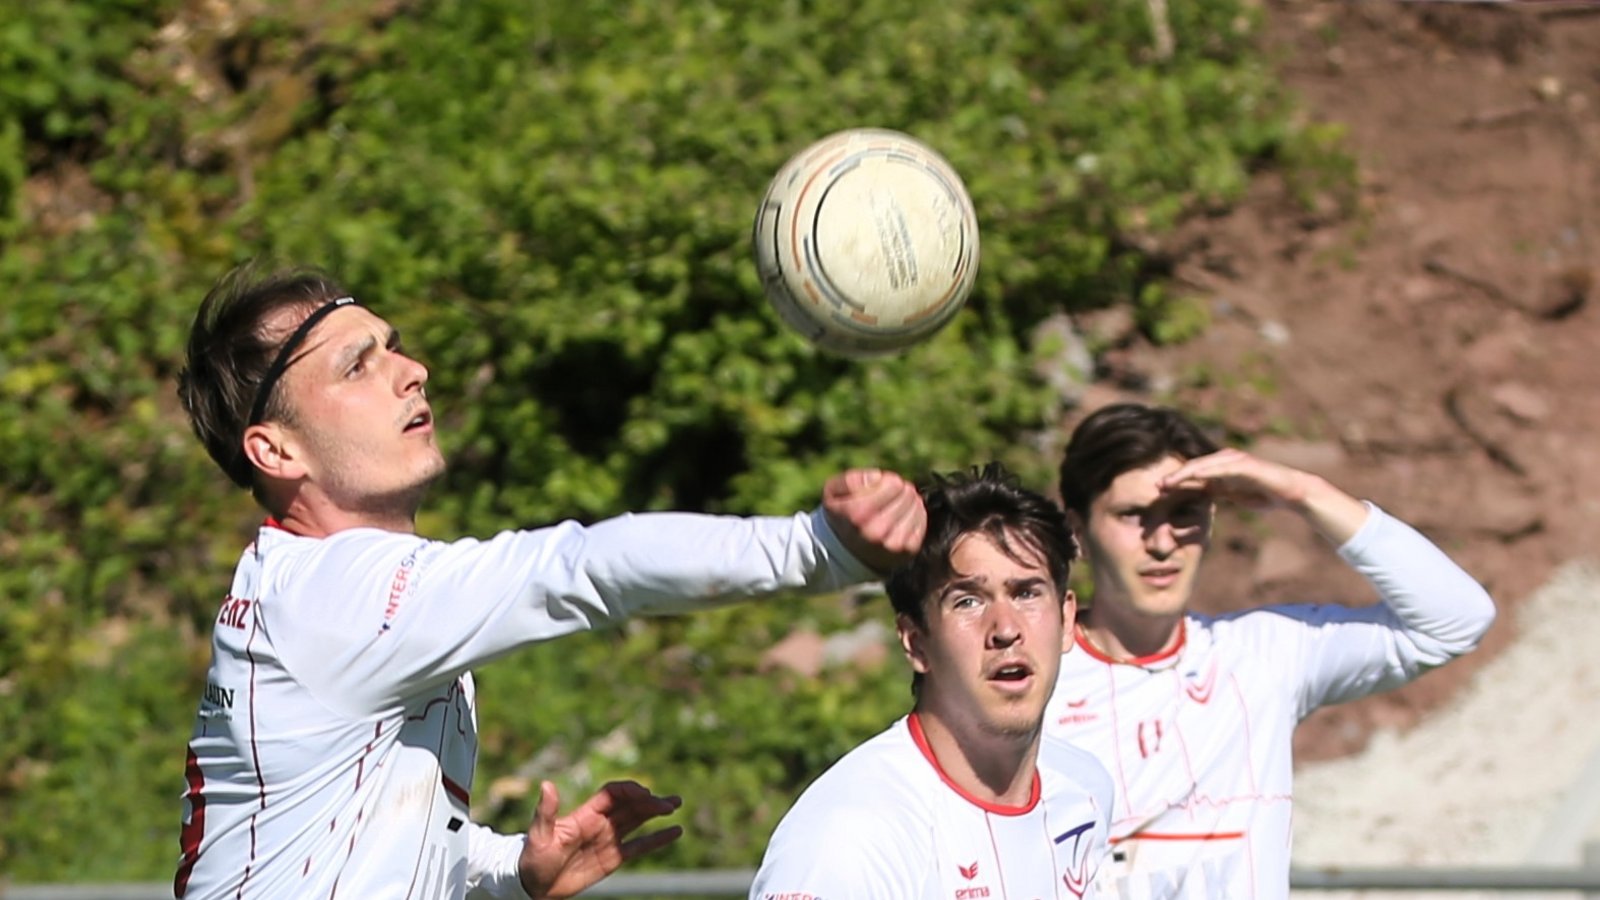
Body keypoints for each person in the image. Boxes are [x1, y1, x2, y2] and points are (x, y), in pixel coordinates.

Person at [171, 263, 928, 900]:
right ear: (276, 452)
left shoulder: (322, 596)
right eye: (357, 366)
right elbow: (581, 570)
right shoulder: (337, 596)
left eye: (393, 348)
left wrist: (508, 869)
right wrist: (818, 549)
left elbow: (355, 832)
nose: (411, 372)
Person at [1044, 402, 1497, 900]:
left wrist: (1302, 492)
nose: (1162, 541)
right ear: (1079, 532)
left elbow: (1457, 619)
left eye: (1185, 513)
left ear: (1211, 521)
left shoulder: (1265, 653)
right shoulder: (1025, 679)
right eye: (1134, 515)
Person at [750, 464, 1115, 900]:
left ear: (1067, 620)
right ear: (915, 641)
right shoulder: (847, 838)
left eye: (1026, 593)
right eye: (967, 600)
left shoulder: (1085, 788)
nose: (1005, 628)